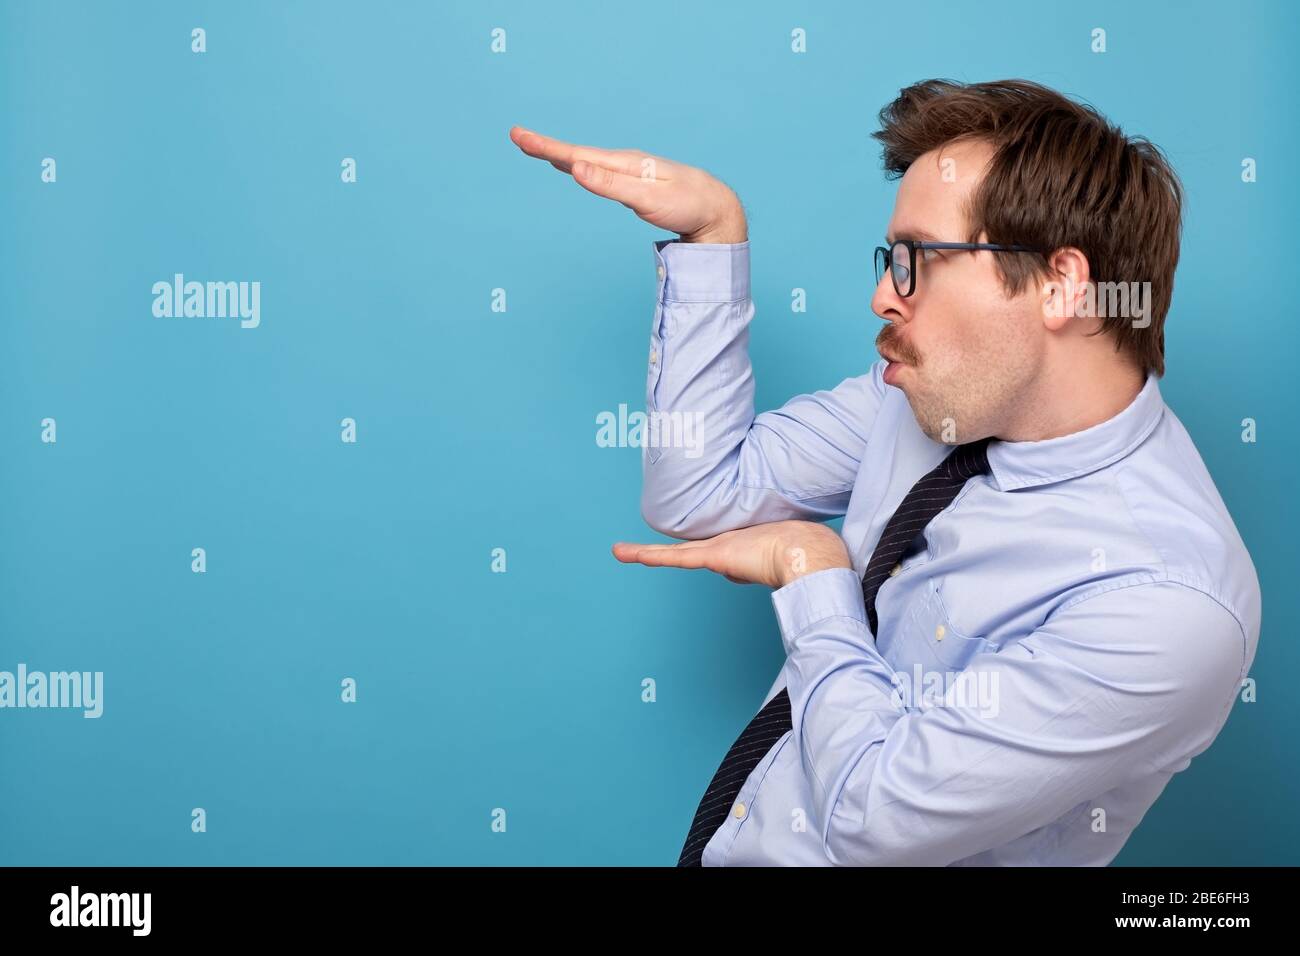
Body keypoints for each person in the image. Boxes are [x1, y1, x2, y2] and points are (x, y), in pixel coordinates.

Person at [510, 78, 1261, 866]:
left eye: (916, 261)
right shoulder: (934, 399)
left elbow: (875, 821)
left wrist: (812, 574)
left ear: (1060, 285)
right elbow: (699, 493)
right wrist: (712, 240)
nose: (881, 297)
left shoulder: (1170, 606)